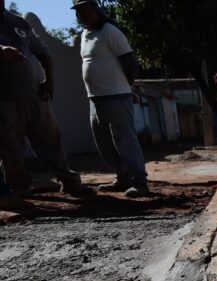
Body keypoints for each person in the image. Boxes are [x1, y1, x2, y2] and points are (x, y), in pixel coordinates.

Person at [0, 0, 91, 200]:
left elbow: (43, 53)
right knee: (11, 148)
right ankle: (20, 189)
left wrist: (49, 81)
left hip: (34, 96)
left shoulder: (18, 23)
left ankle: (69, 181)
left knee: (51, 140)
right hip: (4, 100)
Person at [72, 0, 148, 197]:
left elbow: (130, 62)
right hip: (95, 98)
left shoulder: (110, 31)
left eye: (89, 9)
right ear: (77, 15)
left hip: (116, 95)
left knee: (125, 139)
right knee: (103, 142)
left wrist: (127, 86)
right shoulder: (85, 34)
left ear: (97, 10)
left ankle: (140, 182)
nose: (86, 13)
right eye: (81, 11)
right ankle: (123, 177)